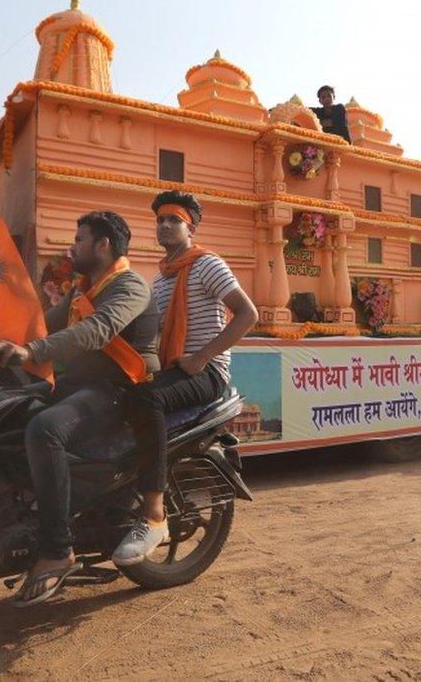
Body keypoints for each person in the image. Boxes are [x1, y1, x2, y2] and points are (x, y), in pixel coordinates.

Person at [0, 211, 160, 607]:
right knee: (2, 416)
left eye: (79, 239)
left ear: (103, 245)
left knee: (45, 429)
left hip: (118, 390)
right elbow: (41, 327)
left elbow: (95, 331)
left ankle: (57, 549)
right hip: (78, 386)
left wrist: (29, 352)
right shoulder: (83, 289)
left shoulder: (130, 286)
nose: (72, 246)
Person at [112, 191, 258, 566]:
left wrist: (203, 356)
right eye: (160, 220)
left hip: (207, 372)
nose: (164, 226)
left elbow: (247, 314)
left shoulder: (207, 264)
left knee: (146, 400)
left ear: (189, 226)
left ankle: (154, 514)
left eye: (173, 220)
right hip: (175, 368)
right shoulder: (160, 280)